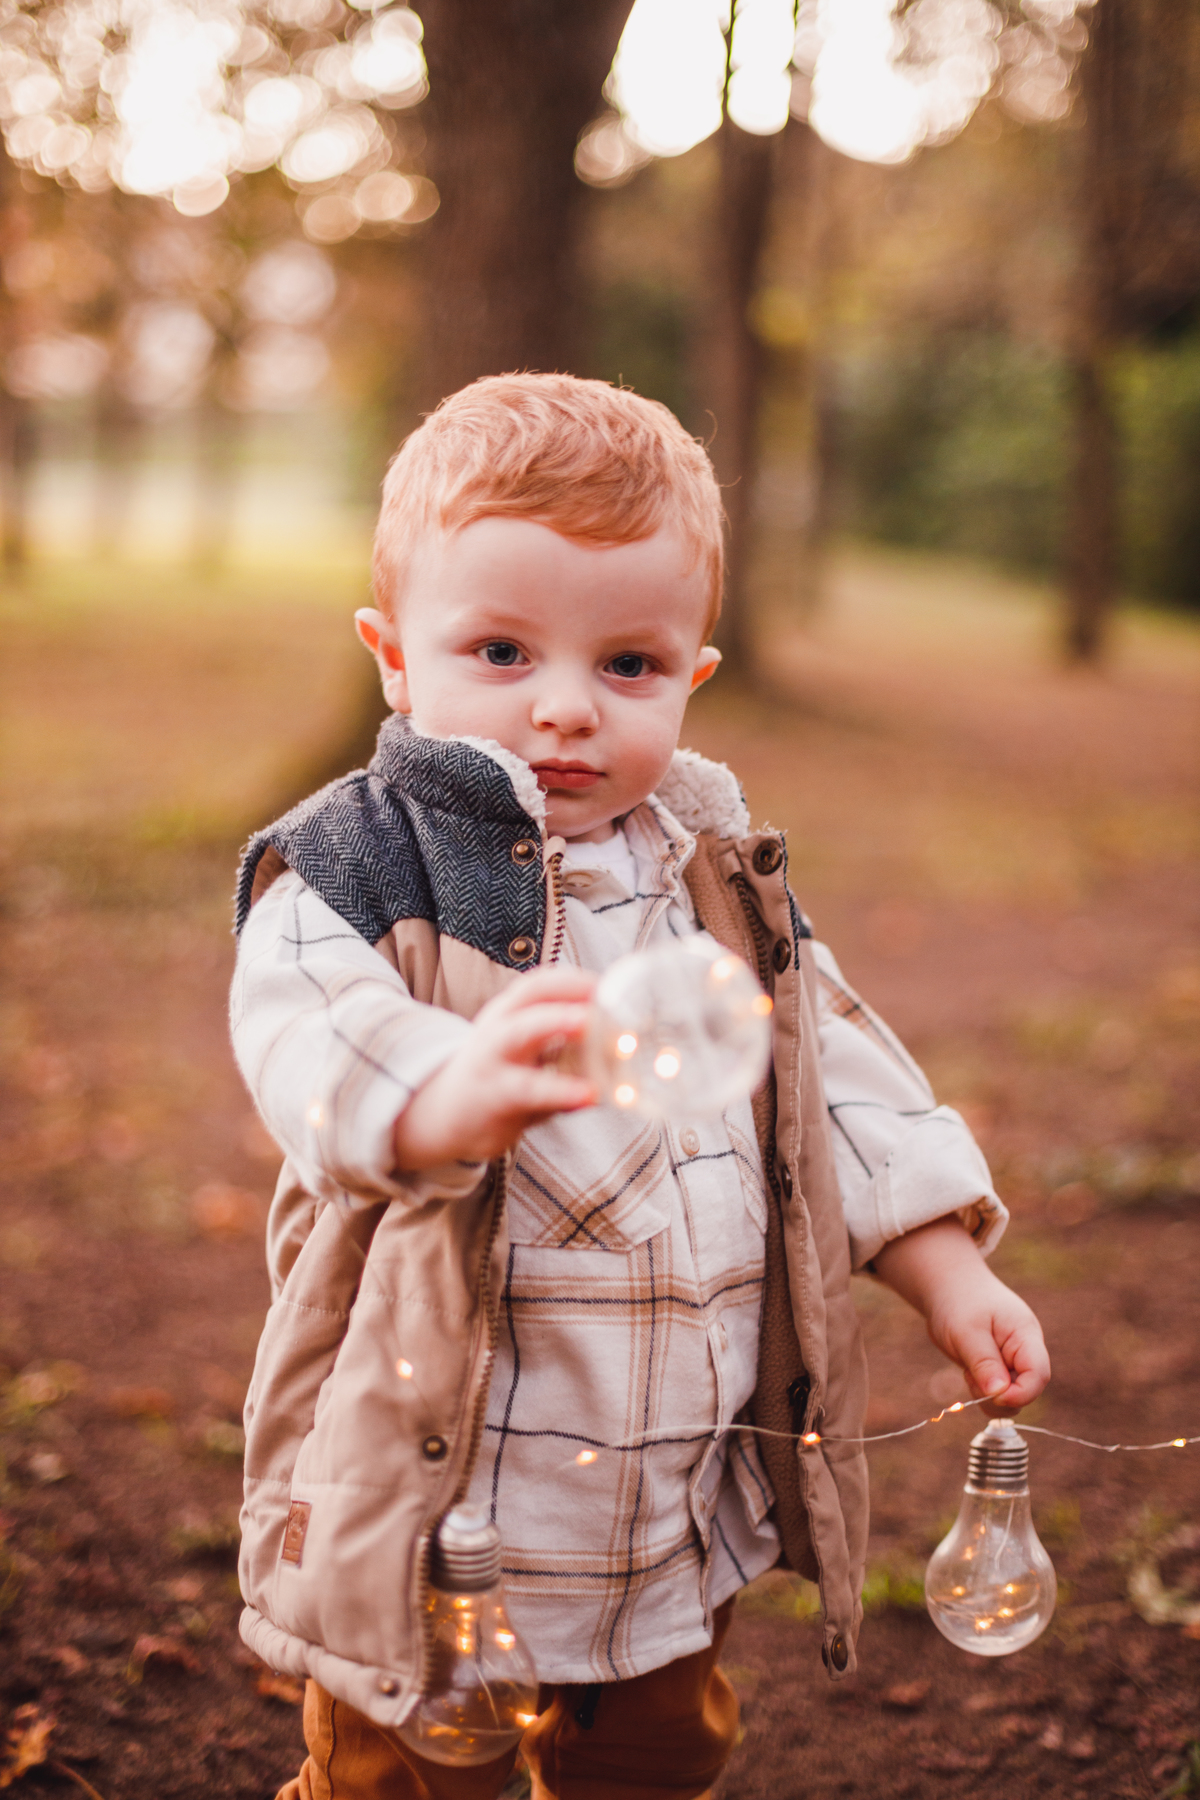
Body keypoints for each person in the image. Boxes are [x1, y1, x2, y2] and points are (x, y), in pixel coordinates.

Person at [230, 373, 1050, 1800]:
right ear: (394, 659)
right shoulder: (355, 869)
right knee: (403, 1778)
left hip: (661, 1490)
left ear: (692, 677)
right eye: (500, 651)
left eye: (627, 665)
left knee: (659, 1756)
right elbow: (310, 1036)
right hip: (437, 1495)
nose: (563, 710)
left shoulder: (713, 876)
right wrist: (443, 1095)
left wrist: (942, 1265)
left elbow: (836, 1083)